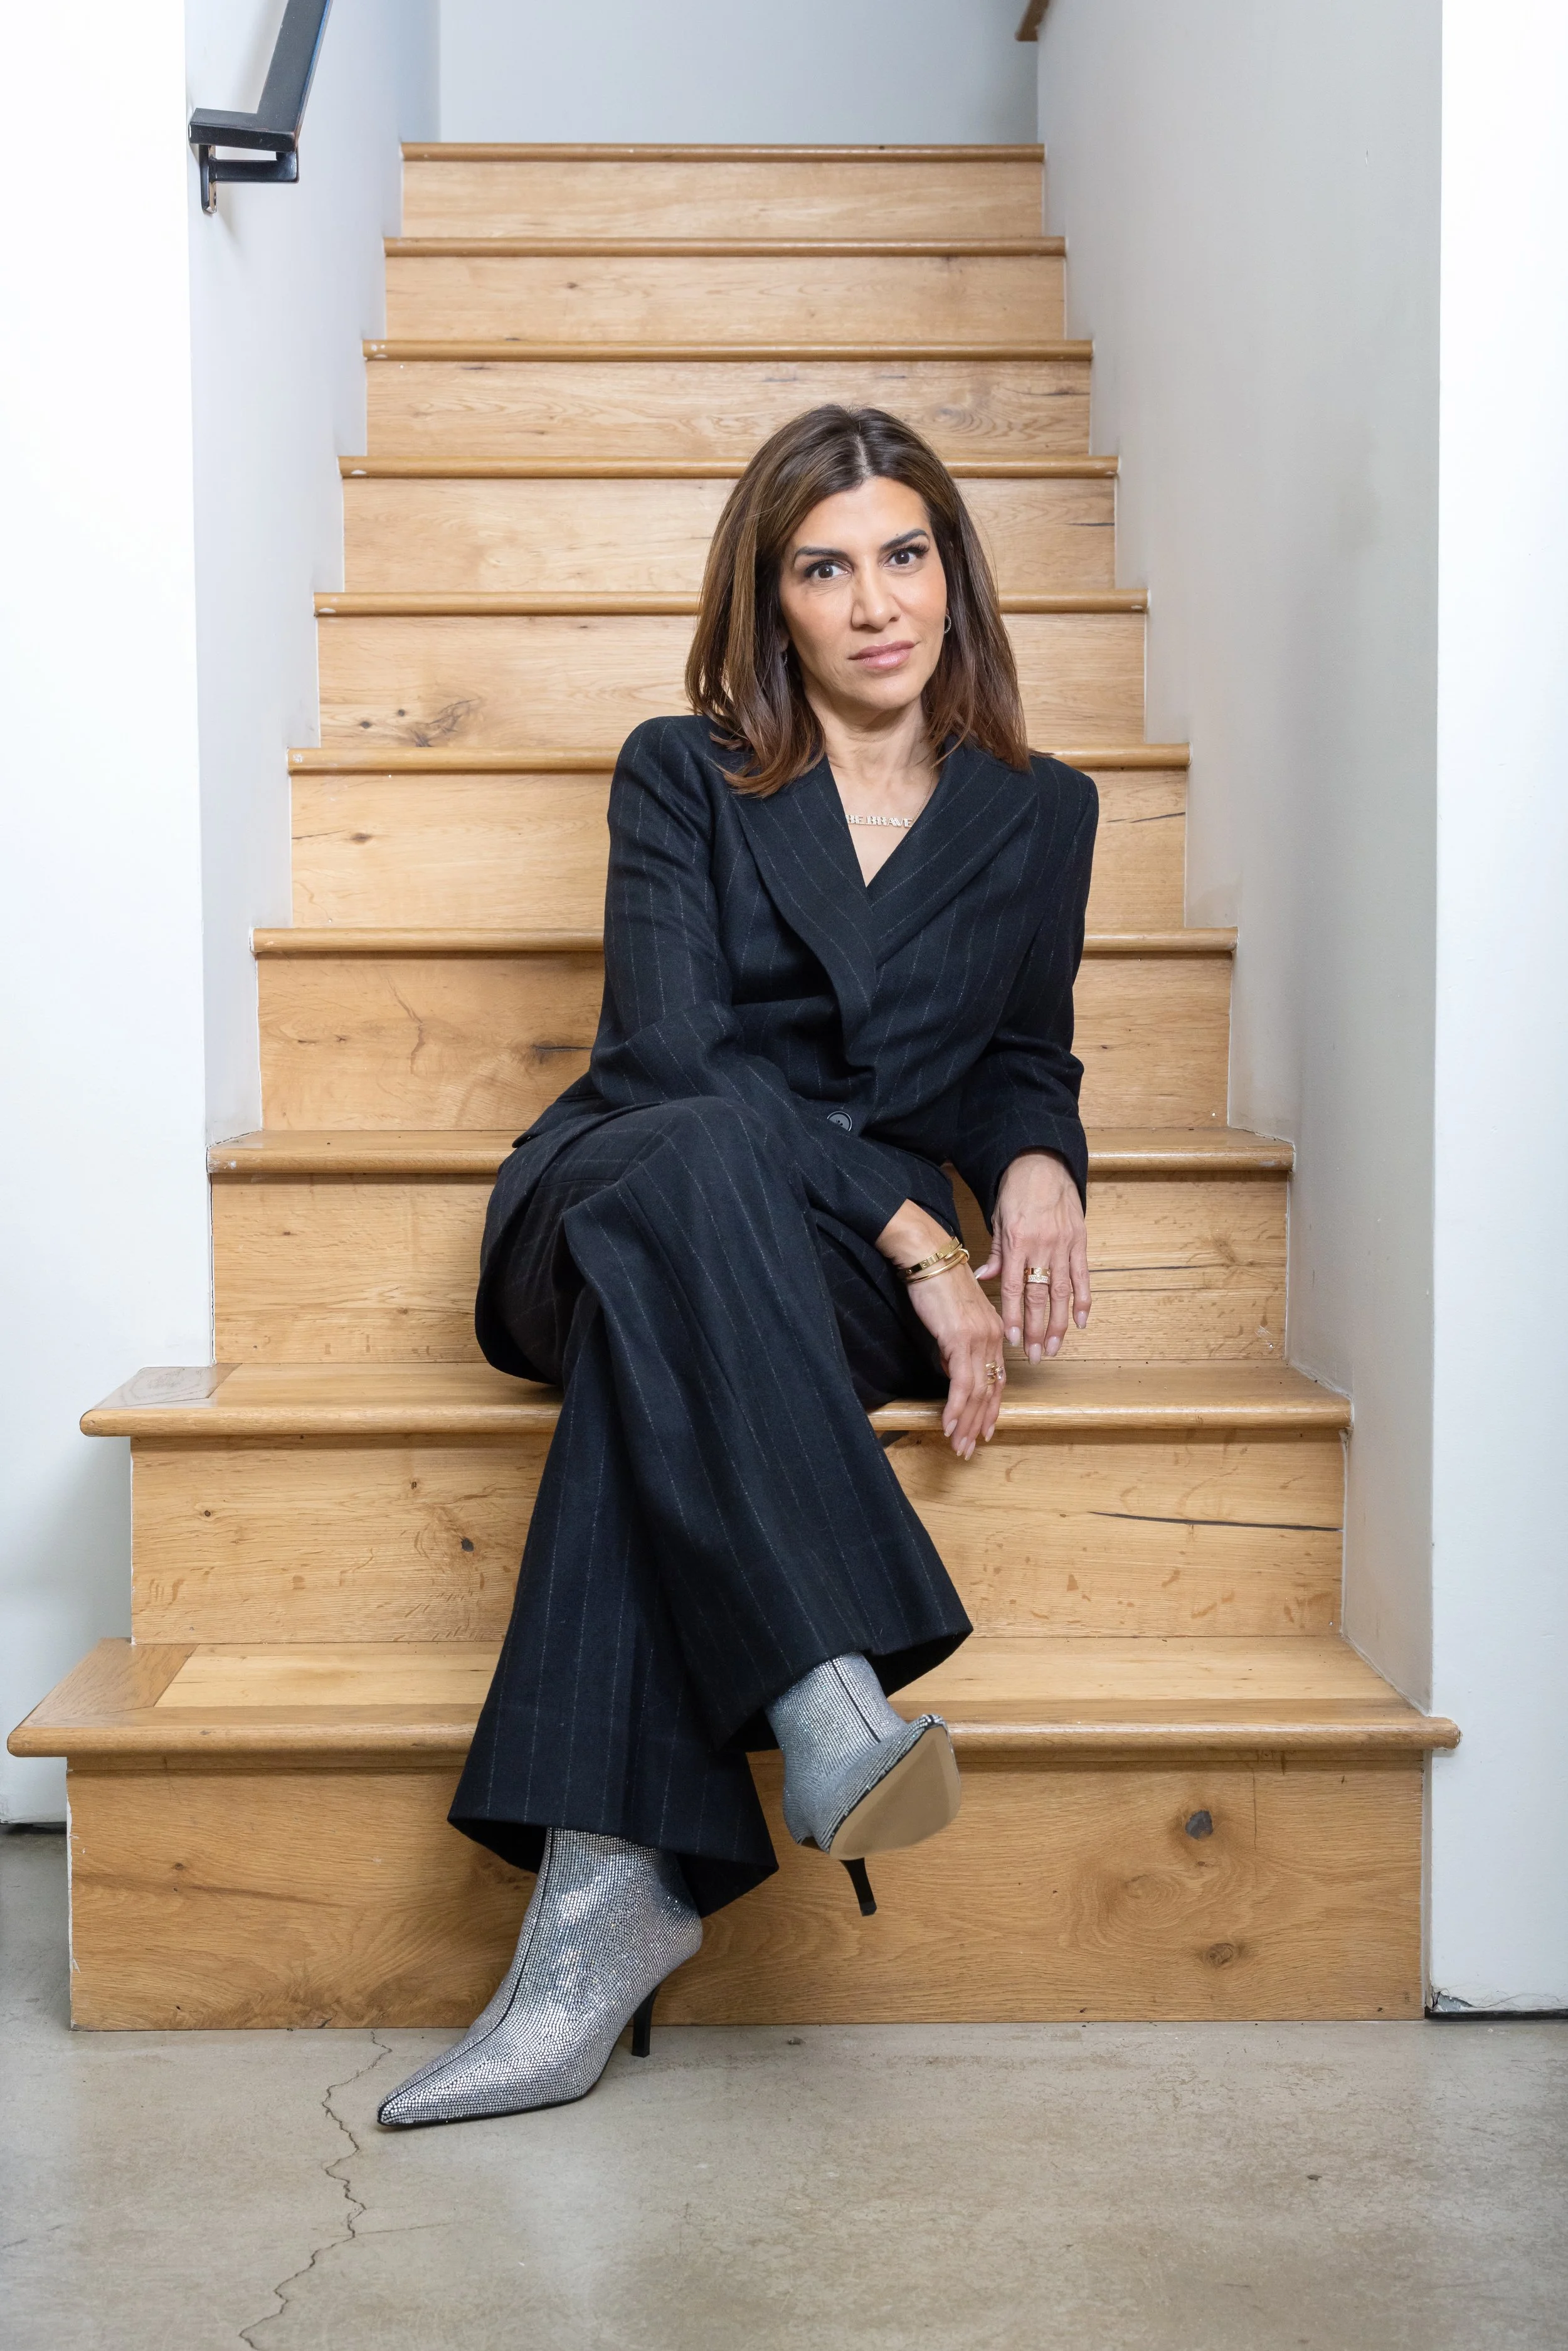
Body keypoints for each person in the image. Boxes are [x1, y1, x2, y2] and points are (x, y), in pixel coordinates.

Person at [378, 404, 1098, 2130]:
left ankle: (603, 1900)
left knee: (669, 1346)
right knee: (694, 1161)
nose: (874, 604)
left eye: (904, 555)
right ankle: (823, 1685)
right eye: (823, 566)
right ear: (767, 598)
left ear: (953, 574)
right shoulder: (680, 768)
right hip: (623, 1190)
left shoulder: (1037, 811)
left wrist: (1033, 1167)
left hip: (805, 1278)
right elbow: (673, 1064)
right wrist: (915, 1223)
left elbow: (1021, 1050)